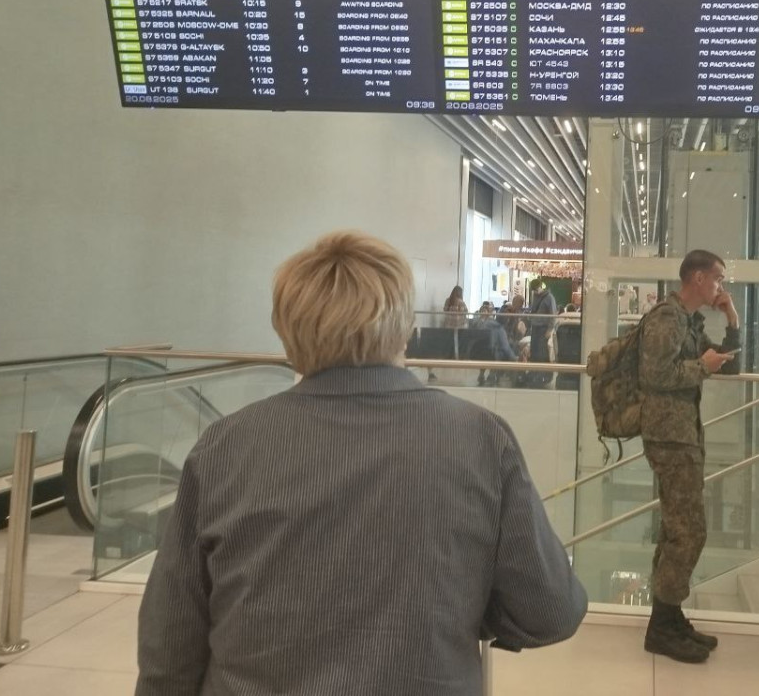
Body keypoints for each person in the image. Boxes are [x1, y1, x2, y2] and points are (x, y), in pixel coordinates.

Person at [135, 232, 586, 694]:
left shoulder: (224, 448)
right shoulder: (479, 440)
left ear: (287, 333)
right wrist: (463, 606)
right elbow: (551, 611)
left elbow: (170, 644)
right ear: (405, 326)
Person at [637, 249, 740, 663]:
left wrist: (732, 319)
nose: (720, 287)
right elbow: (655, 374)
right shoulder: (667, 318)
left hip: (683, 435)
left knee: (678, 530)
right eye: (718, 279)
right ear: (698, 278)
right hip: (669, 437)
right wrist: (701, 367)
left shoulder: (689, 322)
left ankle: (668, 617)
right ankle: (662, 627)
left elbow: (728, 366)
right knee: (689, 531)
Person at [524, 278, 558, 386]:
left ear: (540, 287)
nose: (535, 291)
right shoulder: (535, 297)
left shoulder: (549, 298)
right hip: (535, 327)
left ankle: (544, 376)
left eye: (536, 289)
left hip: (543, 328)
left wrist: (550, 329)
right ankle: (534, 374)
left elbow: (553, 315)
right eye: (534, 290)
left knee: (542, 353)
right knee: (534, 351)